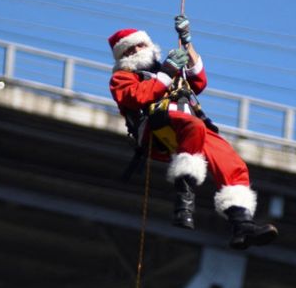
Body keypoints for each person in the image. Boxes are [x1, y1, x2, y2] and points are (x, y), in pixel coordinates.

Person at [108, 15, 278, 250]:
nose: (137, 50)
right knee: (193, 126)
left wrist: (186, 43)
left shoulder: (170, 71)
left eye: (141, 45)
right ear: (122, 58)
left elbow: (198, 81)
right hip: (156, 128)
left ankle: (241, 224)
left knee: (231, 162)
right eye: (130, 49)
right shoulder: (122, 78)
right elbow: (138, 97)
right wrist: (167, 71)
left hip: (189, 128)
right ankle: (183, 202)